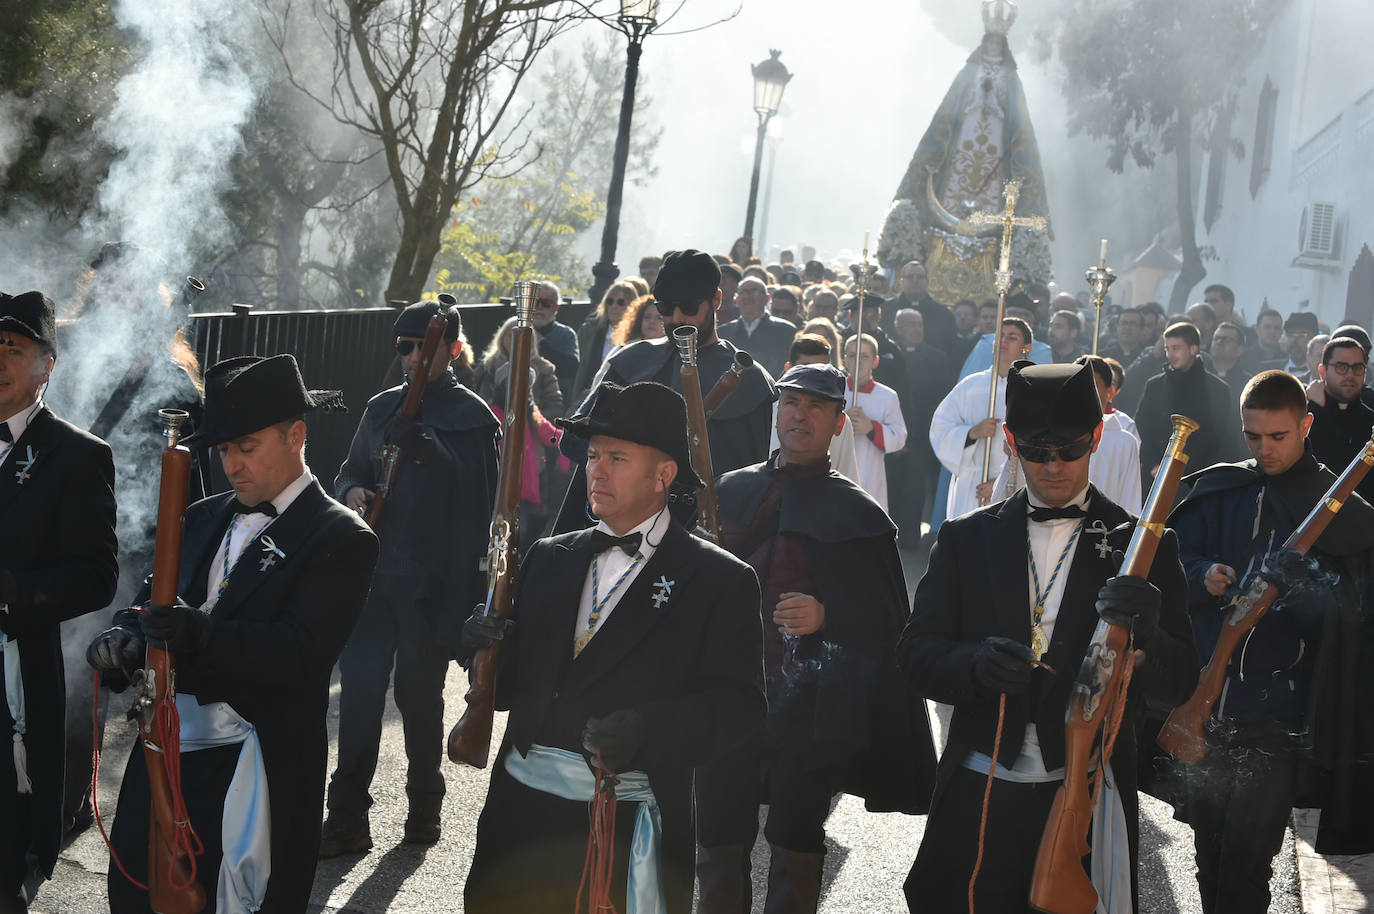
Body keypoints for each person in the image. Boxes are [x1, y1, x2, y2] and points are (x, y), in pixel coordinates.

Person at [899, 359, 1197, 913]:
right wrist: (974, 665)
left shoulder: (1146, 547)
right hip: (980, 785)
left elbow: (1178, 685)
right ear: (1011, 442)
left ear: (1098, 436)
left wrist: (1148, 630)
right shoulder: (965, 539)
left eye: (1070, 448)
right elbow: (916, 656)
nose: (1054, 465)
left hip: (1087, 793)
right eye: (1037, 450)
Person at [87, 353, 380, 913]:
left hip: (258, 764)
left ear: (296, 435)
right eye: (223, 450)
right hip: (166, 752)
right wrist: (124, 637)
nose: (232, 465)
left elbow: (302, 655)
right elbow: (153, 597)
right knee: (140, 896)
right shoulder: (201, 515)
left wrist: (200, 635)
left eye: (246, 447)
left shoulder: (341, 537)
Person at [461, 380, 765, 914]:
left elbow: (739, 707)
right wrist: (483, 648)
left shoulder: (720, 580)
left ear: (663, 475)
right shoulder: (549, 557)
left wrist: (651, 730)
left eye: (617, 457)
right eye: (594, 455)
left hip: (625, 823)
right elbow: (511, 692)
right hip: (521, 820)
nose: (595, 470)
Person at [696, 363, 937, 914]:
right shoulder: (726, 492)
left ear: (837, 423)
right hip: (726, 700)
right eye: (790, 404)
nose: (799, 416)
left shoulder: (860, 514)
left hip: (812, 709)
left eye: (816, 407)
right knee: (716, 840)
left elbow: (890, 624)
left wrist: (829, 614)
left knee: (796, 843)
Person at [1168, 370, 1374, 913]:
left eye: (1277, 437)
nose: (1264, 449)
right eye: (1252, 436)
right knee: (1208, 860)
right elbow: (1168, 566)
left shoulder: (1337, 509)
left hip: (1281, 716)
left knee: (1246, 863)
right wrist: (1202, 573)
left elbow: (1355, 616)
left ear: (1306, 425)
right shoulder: (1221, 487)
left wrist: (1306, 589)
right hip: (1206, 707)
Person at [321, 302, 500, 855]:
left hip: (432, 581)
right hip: (373, 578)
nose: (414, 357)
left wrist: (434, 450)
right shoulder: (380, 408)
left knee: (420, 697)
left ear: (453, 350)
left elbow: (484, 504)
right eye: (405, 346)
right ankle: (347, 813)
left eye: (425, 346)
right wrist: (353, 491)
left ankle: (425, 803)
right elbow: (350, 469)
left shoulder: (473, 418)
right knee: (359, 697)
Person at [0, 291, 118, 912]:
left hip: (17, 673)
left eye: (14, 349)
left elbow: (97, 576)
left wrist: (17, 592)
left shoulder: (76, 455)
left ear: (48, 364)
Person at [553, 250, 776, 535]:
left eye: (689, 306)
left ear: (716, 300)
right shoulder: (630, 362)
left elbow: (756, 483)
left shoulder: (752, 381)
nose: (677, 317)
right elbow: (574, 441)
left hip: (704, 538)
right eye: (666, 308)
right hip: (617, 527)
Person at [931, 318, 1033, 520]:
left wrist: (999, 482)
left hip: (1015, 485)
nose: (1004, 341)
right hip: (972, 483)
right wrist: (971, 433)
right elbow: (939, 427)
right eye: (1000, 337)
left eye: (1012, 338)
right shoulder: (971, 386)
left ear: (1026, 348)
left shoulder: (1031, 389)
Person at [1135, 322, 1239, 490]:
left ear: (1193, 349)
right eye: (1167, 348)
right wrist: (1153, 463)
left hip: (1196, 481)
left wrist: (1190, 472)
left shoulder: (1217, 389)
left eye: (1176, 348)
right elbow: (1142, 428)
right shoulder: (1154, 385)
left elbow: (1219, 437)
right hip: (1154, 477)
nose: (1170, 354)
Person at [891, 308, 953, 543]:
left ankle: (910, 536)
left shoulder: (938, 357)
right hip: (893, 432)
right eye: (910, 324)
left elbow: (942, 396)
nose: (916, 329)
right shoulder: (891, 355)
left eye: (919, 324)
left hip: (922, 434)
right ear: (898, 329)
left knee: (915, 489)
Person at [768, 335, 860, 483]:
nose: (799, 416)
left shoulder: (839, 420)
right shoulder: (766, 412)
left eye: (822, 369)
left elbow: (847, 472)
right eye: (806, 367)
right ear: (788, 368)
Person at [843, 333, 907, 512]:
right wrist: (842, 421)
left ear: (875, 361)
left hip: (870, 471)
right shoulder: (833, 390)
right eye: (853, 355)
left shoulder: (887, 396)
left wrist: (871, 428)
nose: (858, 361)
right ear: (845, 360)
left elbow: (899, 437)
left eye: (865, 356)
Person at [1306, 336, 1374, 504]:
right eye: (1341, 367)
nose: (1350, 375)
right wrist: (1316, 410)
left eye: (1357, 367)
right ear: (1322, 371)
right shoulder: (1302, 416)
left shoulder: (1371, 421)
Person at [719, 276, 798, 379]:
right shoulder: (724, 332)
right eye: (743, 292)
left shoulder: (787, 331)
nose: (747, 296)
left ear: (767, 299)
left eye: (753, 291)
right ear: (737, 299)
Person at [573, 282, 637, 405]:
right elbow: (578, 371)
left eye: (620, 302)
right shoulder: (588, 331)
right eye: (610, 301)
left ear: (631, 306)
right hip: (586, 399)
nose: (614, 306)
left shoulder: (637, 338)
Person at [531, 282, 580, 404]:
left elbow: (571, 367)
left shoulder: (566, 335)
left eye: (546, 304)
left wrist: (540, 342)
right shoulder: (516, 330)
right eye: (535, 302)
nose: (539, 307)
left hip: (552, 399)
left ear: (556, 308)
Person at [1278, 311, 1318, 383]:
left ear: (1313, 338)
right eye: (1290, 334)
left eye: (1302, 335)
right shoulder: (1268, 368)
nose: (1294, 340)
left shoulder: (1321, 371)